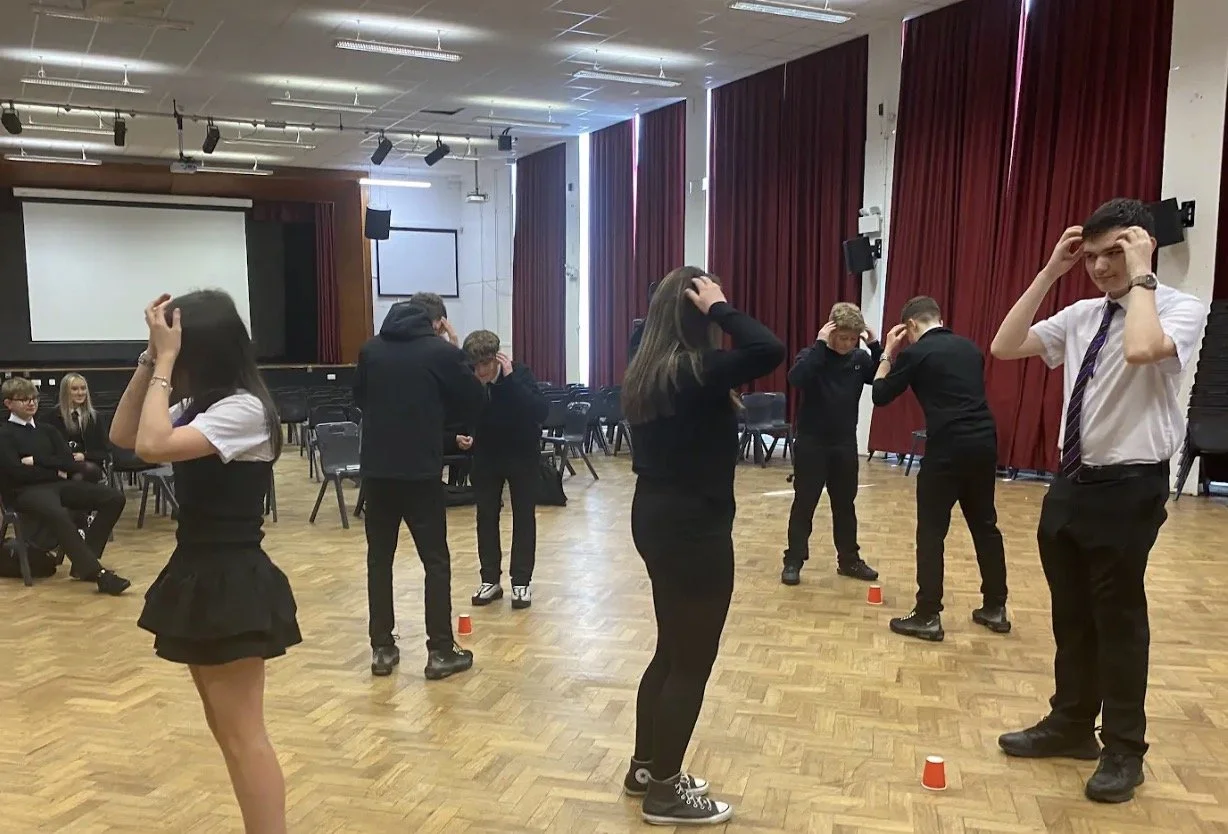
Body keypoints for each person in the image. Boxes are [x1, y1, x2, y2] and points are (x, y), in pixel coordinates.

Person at [989, 198, 1207, 804]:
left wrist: (1139, 276)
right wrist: (1050, 273)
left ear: (1142, 245)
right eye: (1092, 256)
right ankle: (1070, 725)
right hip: (1071, 483)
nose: (1100, 267)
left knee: (1119, 622)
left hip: (1130, 486)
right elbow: (1006, 346)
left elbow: (1140, 350)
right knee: (1071, 615)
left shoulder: (1178, 308)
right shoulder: (1082, 311)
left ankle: (1124, 750)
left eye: (1114, 251)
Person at [109, 290, 300, 834]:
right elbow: (123, 435)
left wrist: (165, 363)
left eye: (178, 346)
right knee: (227, 732)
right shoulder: (201, 406)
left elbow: (150, 445)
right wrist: (151, 360)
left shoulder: (245, 410)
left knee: (244, 736)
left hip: (232, 578)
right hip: (200, 572)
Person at [621, 266, 785, 825]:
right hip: (695, 527)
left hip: (657, 516)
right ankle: (664, 792)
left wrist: (705, 306)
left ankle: (646, 766)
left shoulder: (649, 369)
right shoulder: (697, 370)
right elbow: (770, 349)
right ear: (698, 312)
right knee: (692, 660)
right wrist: (721, 307)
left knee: (671, 651)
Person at [354, 295, 485, 679]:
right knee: (435, 562)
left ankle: (382, 648)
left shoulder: (371, 350)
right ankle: (440, 651)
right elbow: (475, 399)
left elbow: (359, 398)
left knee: (380, 559)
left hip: (377, 472)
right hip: (420, 472)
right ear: (436, 323)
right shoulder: (439, 353)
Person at [871, 296, 1009, 642]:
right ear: (939, 318)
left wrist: (888, 352)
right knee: (985, 526)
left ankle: (928, 614)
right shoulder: (970, 349)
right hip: (984, 443)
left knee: (931, 532)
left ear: (912, 326)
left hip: (947, 447)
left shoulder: (915, 353)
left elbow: (880, 394)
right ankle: (996, 607)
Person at [781, 302, 881, 586]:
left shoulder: (860, 359)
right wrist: (820, 346)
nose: (848, 344)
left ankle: (849, 560)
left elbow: (881, 379)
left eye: (853, 338)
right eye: (843, 337)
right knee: (804, 503)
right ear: (830, 332)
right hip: (812, 443)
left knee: (845, 504)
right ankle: (793, 560)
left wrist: (874, 345)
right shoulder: (812, 356)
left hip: (844, 443)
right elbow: (796, 378)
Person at [0, 376, 129, 593]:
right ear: (9, 404)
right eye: (24, 399)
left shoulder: (47, 430)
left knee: (114, 498)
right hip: (23, 493)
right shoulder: (4, 434)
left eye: (34, 398)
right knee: (58, 514)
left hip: (56, 485)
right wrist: (52, 468)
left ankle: (85, 560)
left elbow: (69, 463)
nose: (31, 403)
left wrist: (37, 461)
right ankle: (97, 574)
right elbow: (16, 473)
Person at [461, 330, 549, 610]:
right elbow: (467, 411)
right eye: (475, 366)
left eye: (486, 365)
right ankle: (490, 580)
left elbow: (538, 412)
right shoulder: (473, 381)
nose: (481, 371)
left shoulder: (519, 375)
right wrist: (465, 434)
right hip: (487, 457)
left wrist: (508, 382)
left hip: (522, 455)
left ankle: (521, 581)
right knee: (486, 516)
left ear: (498, 359)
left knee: (524, 517)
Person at [46, 372, 109, 480]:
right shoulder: (51, 417)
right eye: (74, 389)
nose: (80, 393)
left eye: (83, 388)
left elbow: (104, 452)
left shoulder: (94, 418)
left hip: (88, 465)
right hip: (60, 465)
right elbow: (47, 450)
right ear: (65, 392)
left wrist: (84, 456)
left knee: (79, 476)